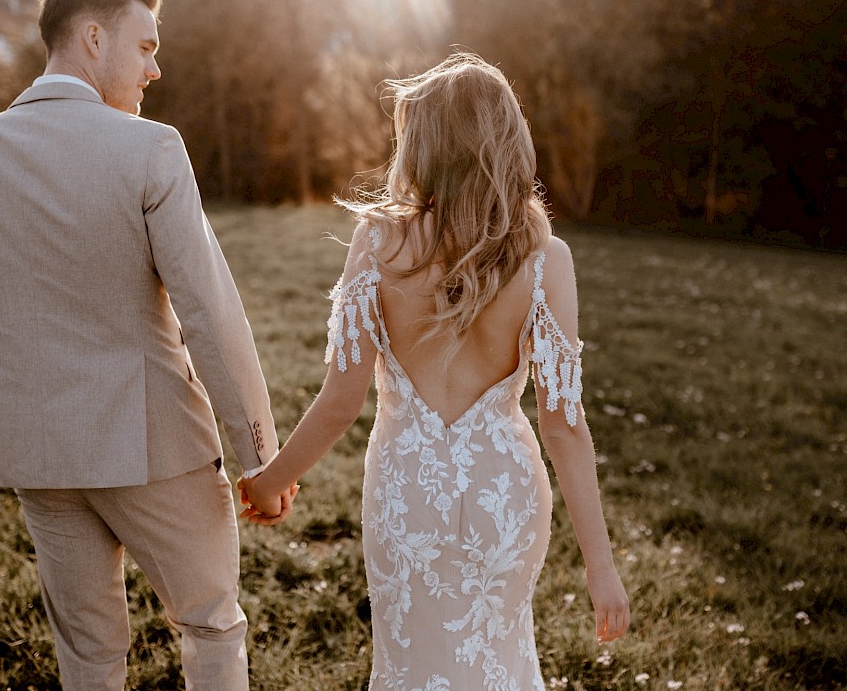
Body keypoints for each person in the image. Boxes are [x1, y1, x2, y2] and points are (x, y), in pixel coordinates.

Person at [0, 0, 295, 691]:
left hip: (38, 456)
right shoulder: (150, 149)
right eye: (147, 46)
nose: (156, 68)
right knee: (211, 625)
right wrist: (261, 459)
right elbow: (210, 316)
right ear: (94, 37)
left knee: (87, 658)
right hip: (157, 449)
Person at [240, 52, 629, 689]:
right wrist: (601, 568)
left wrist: (269, 482)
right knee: (499, 657)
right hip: (502, 493)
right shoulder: (544, 259)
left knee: (411, 665)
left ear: (422, 147)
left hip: (404, 490)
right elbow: (564, 430)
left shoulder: (378, 242)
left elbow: (341, 402)